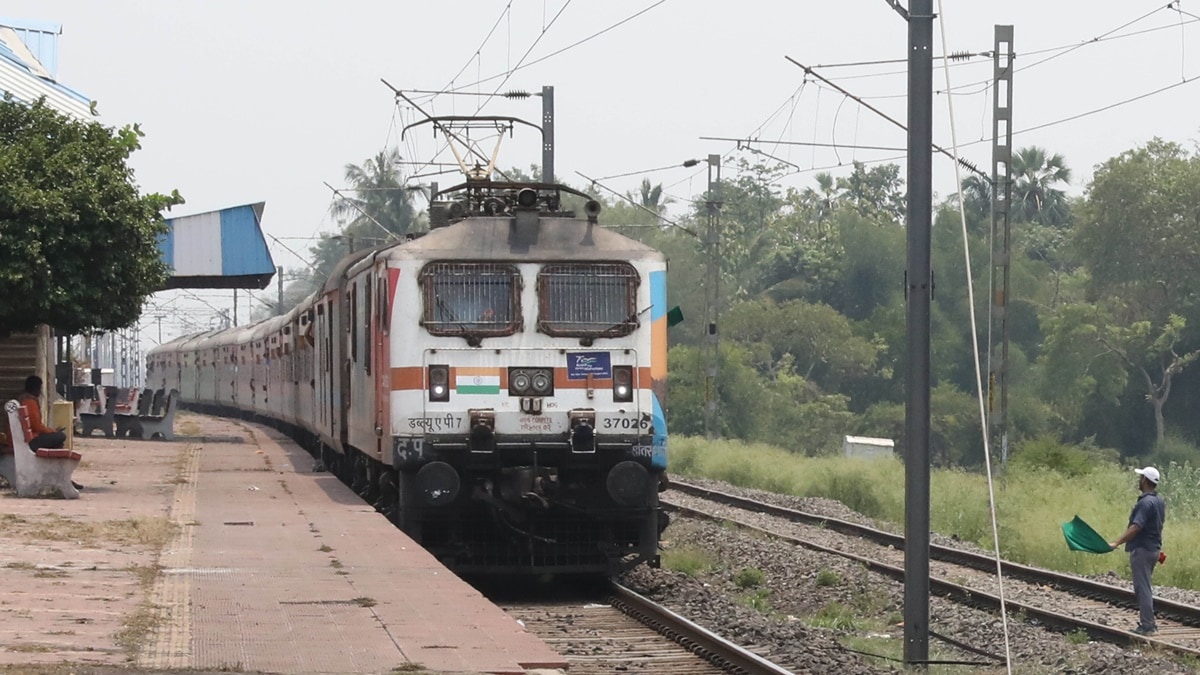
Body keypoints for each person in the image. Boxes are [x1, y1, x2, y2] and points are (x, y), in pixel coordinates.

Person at [1108, 466, 1166, 635]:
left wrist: (1117, 542)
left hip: (1143, 549)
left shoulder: (1145, 503)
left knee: (1143, 588)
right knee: (1144, 586)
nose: (1139, 480)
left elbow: (1136, 527)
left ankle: (1148, 625)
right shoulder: (1159, 501)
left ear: (1145, 480)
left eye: (1140, 477)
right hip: (1154, 549)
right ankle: (1148, 623)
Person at [16, 375, 83, 490]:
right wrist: (51, 431)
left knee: (57, 441)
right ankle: (63, 478)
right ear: (36, 388)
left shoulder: (24, 400)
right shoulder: (29, 402)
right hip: (31, 442)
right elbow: (36, 425)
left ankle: (63, 477)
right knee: (60, 436)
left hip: (29, 439)